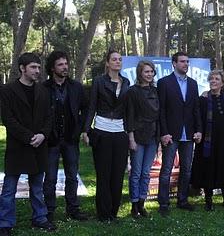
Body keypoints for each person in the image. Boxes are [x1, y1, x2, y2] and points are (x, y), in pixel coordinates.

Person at [0, 53, 55, 236]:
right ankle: (5, 224)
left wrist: (42, 135)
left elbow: (49, 117)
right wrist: (29, 136)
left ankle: (39, 218)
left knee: (37, 187)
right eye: (33, 67)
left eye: (38, 67)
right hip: (18, 146)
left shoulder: (43, 91)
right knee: (9, 188)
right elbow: (8, 119)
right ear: (22, 68)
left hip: (39, 146)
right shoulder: (7, 90)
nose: (37, 71)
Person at [82, 49, 130, 221]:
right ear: (107, 63)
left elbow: (127, 111)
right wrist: (86, 130)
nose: (118, 62)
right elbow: (92, 107)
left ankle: (113, 212)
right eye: (114, 59)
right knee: (103, 175)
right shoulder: (99, 82)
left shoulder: (126, 82)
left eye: (120, 59)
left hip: (120, 133)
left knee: (117, 175)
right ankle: (103, 214)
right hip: (102, 131)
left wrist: (130, 135)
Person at [42, 51, 88, 222]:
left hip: (70, 138)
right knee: (51, 178)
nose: (65, 67)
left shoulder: (76, 87)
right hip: (51, 140)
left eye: (66, 63)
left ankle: (73, 209)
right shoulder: (44, 88)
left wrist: (81, 129)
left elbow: (86, 109)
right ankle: (49, 211)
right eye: (60, 64)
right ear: (52, 68)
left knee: (72, 176)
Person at [157, 52, 202, 217]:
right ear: (174, 64)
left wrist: (198, 130)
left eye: (187, 62)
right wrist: (164, 132)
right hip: (171, 134)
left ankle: (182, 200)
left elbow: (196, 108)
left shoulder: (193, 84)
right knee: (167, 169)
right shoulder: (164, 83)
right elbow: (161, 110)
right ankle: (163, 202)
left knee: (186, 170)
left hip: (189, 134)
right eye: (182, 61)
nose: (186, 64)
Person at [191, 70, 224, 211]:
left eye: (217, 79)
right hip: (208, 141)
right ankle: (209, 200)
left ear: (222, 82)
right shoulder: (203, 99)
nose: (213, 81)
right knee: (208, 168)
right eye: (211, 79)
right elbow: (197, 118)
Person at [125, 60, 159, 218]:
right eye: (146, 71)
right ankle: (134, 204)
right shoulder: (132, 91)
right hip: (137, 135)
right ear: (140, 73)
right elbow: (129, 115)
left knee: (146, 173)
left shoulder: (156, 90)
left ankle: (142, 204)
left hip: (153, 136)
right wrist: (131, 137)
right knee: (136, 172)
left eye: (151, 71)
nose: (149, 74)